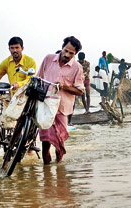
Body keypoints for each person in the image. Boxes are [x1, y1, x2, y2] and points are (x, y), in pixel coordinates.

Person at [37, 36, 85, 164]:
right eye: (66, 51)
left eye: (71, 53)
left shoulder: (77, 67)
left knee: (59, 142)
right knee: (45, 143)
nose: (67, 55)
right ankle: (46, 171)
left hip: (62, 109)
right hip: (45, 106)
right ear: (62, 47)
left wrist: (65, 87)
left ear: (75, 54)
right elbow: (38, 78)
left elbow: (80, 90)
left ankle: (59, 167)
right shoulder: (48, 59)